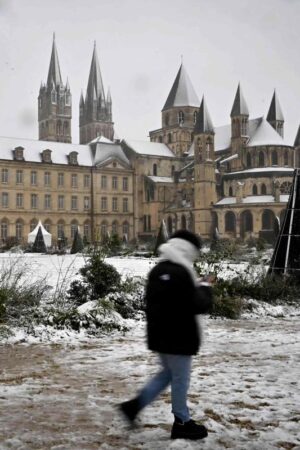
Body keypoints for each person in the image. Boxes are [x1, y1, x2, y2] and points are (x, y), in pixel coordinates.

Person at [120, 230, 214, 440]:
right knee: (180, 379)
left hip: (160, 335)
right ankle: (182, 422)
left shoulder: (159, 270)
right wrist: (206, 287)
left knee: (167, 374)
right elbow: (198, 304)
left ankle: (134, 406)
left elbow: (167, 300)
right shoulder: (182, 273)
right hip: (179, 337)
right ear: (188, 251)